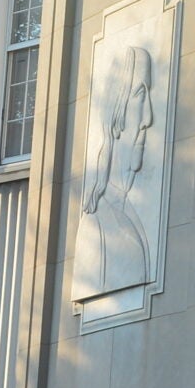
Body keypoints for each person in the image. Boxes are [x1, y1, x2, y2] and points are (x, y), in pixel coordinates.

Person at [78, 42, 158, 295]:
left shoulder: (125, 209)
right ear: (115, 113)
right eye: (140, 96)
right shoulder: (95, 225)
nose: (148, 119)